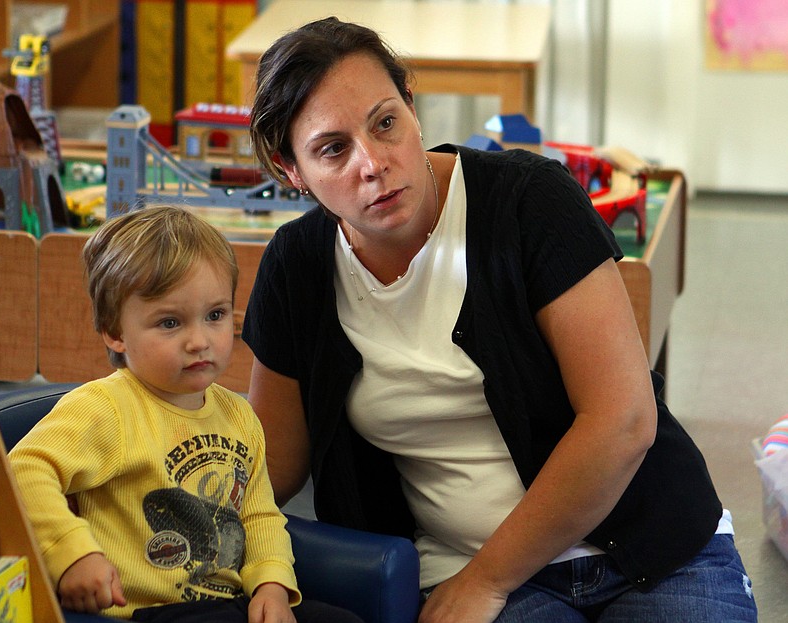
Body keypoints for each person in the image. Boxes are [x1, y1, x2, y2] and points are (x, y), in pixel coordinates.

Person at [242, 16, 758, 623]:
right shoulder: (297, 267)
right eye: (333, 149)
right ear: (290, 170)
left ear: (411, 104)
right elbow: (267, 467)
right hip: (466, 573)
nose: (374, 162)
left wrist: (486, 581)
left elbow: (623, 420)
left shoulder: (529, 200)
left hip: (650, 547)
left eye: (385, 123)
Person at [8, 205, 363, 623]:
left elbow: (259, 513)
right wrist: (71, 553)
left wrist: (272, 584)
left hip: (226, 602)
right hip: (146, 610)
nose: (200, 341)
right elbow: (23, 470)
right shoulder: (105, 408)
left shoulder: (239, 416)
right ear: (116, 333)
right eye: (170, 323)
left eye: (215, 316)